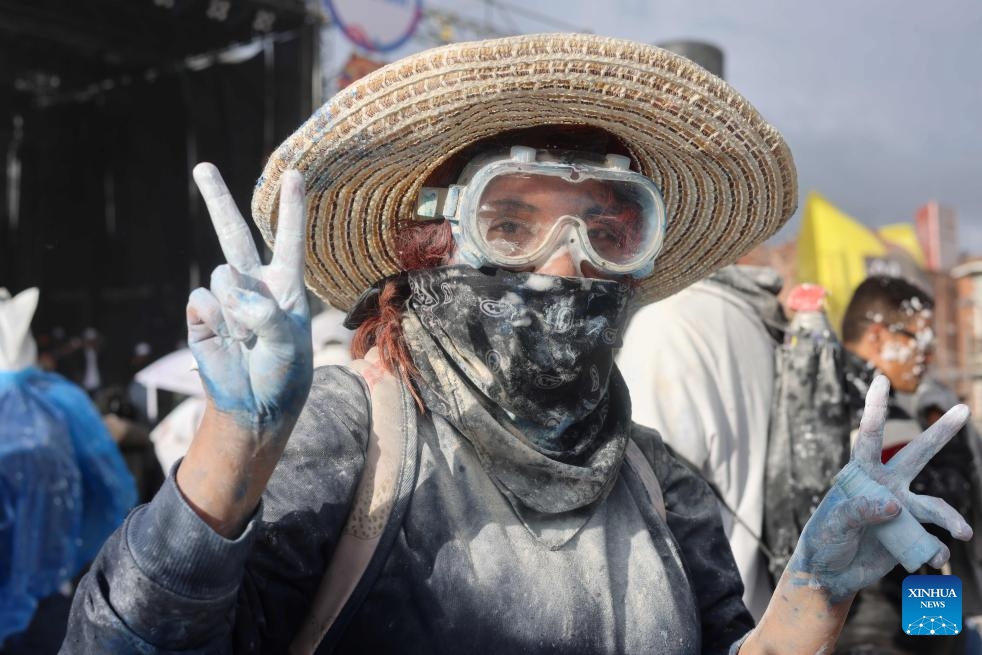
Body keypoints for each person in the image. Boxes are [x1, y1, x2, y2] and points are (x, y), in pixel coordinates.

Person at [62, 34, 972, 654]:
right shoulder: (353, 437)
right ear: (432, 242)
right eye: (513, 222)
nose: (566, 264)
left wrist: (811, 594)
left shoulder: (660, 486)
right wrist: (234, 453)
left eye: (608, 231)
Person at [617, 264, 787, 620]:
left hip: (698, 619)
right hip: (756, 610)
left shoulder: (665, 325)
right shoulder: (748, 317)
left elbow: (646, 506)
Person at [835, 275, 974, 654]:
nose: (928, 356)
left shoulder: (856, 396)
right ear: (878, 336)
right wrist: (951, 440)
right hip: (885, 622)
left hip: (910, 609)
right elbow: (936, 505)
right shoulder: (867, 411)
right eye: (921, 340)